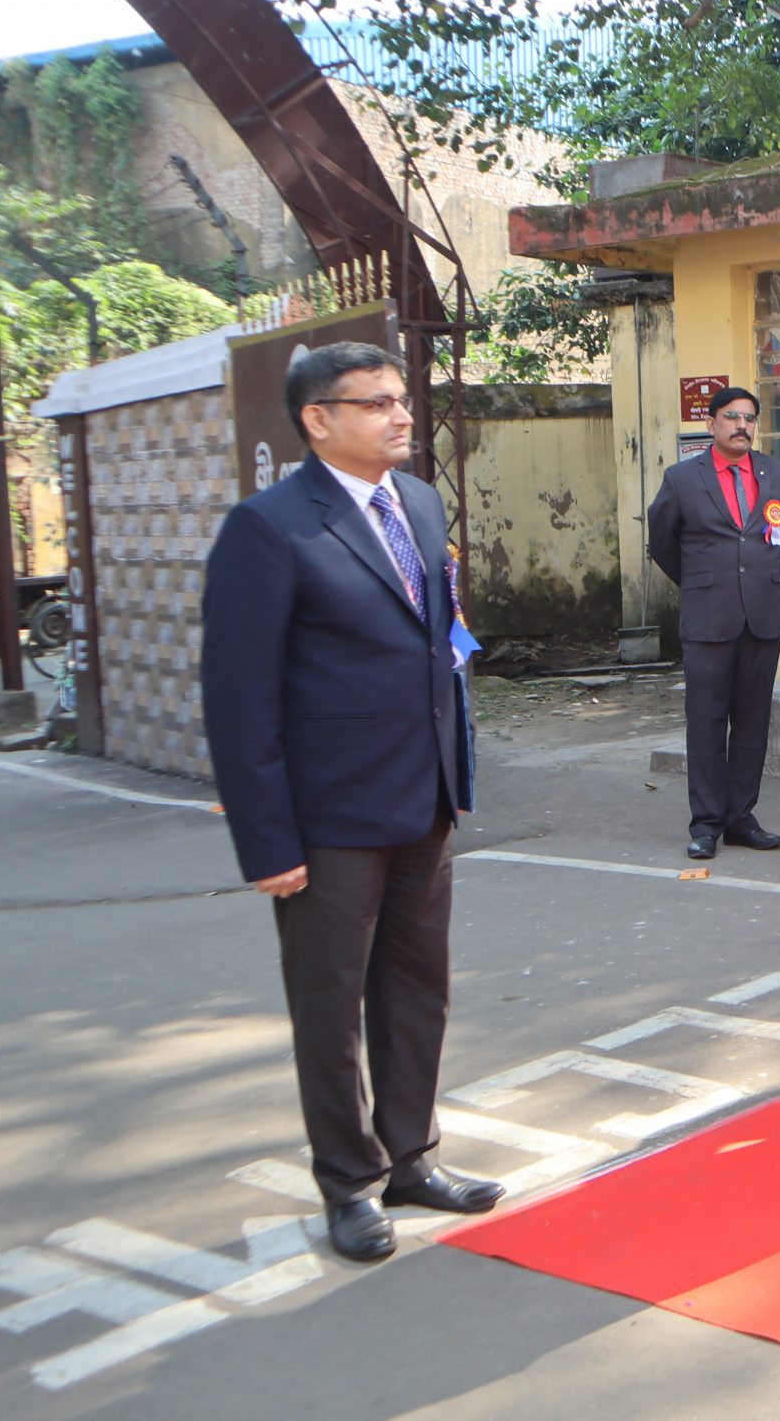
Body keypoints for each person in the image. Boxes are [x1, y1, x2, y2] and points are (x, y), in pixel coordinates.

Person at [200, 342, 497, 1264]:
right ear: (316, 420)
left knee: (418, 991)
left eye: (402, 399)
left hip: (424, 801)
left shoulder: (419, 502)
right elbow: (238, 695)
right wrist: (266, 841)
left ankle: (411, 1155)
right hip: (326, 820)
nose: (400, 416)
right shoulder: (270, 528)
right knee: (329, 1008)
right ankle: (349, 1183)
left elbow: (439, 643)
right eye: (374, 403)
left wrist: (458, 773)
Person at [647, 386, 780, 861]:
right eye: (731, 417)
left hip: (762, 615)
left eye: (750, 418)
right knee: (708, 722)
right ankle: (706, 823)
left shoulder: (776, 473)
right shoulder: (682, 478)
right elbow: (664, 544)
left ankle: (740, 818)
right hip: (708, 618)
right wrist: (704, 582)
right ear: (711, 425)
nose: (742, 426)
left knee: (753, 721)